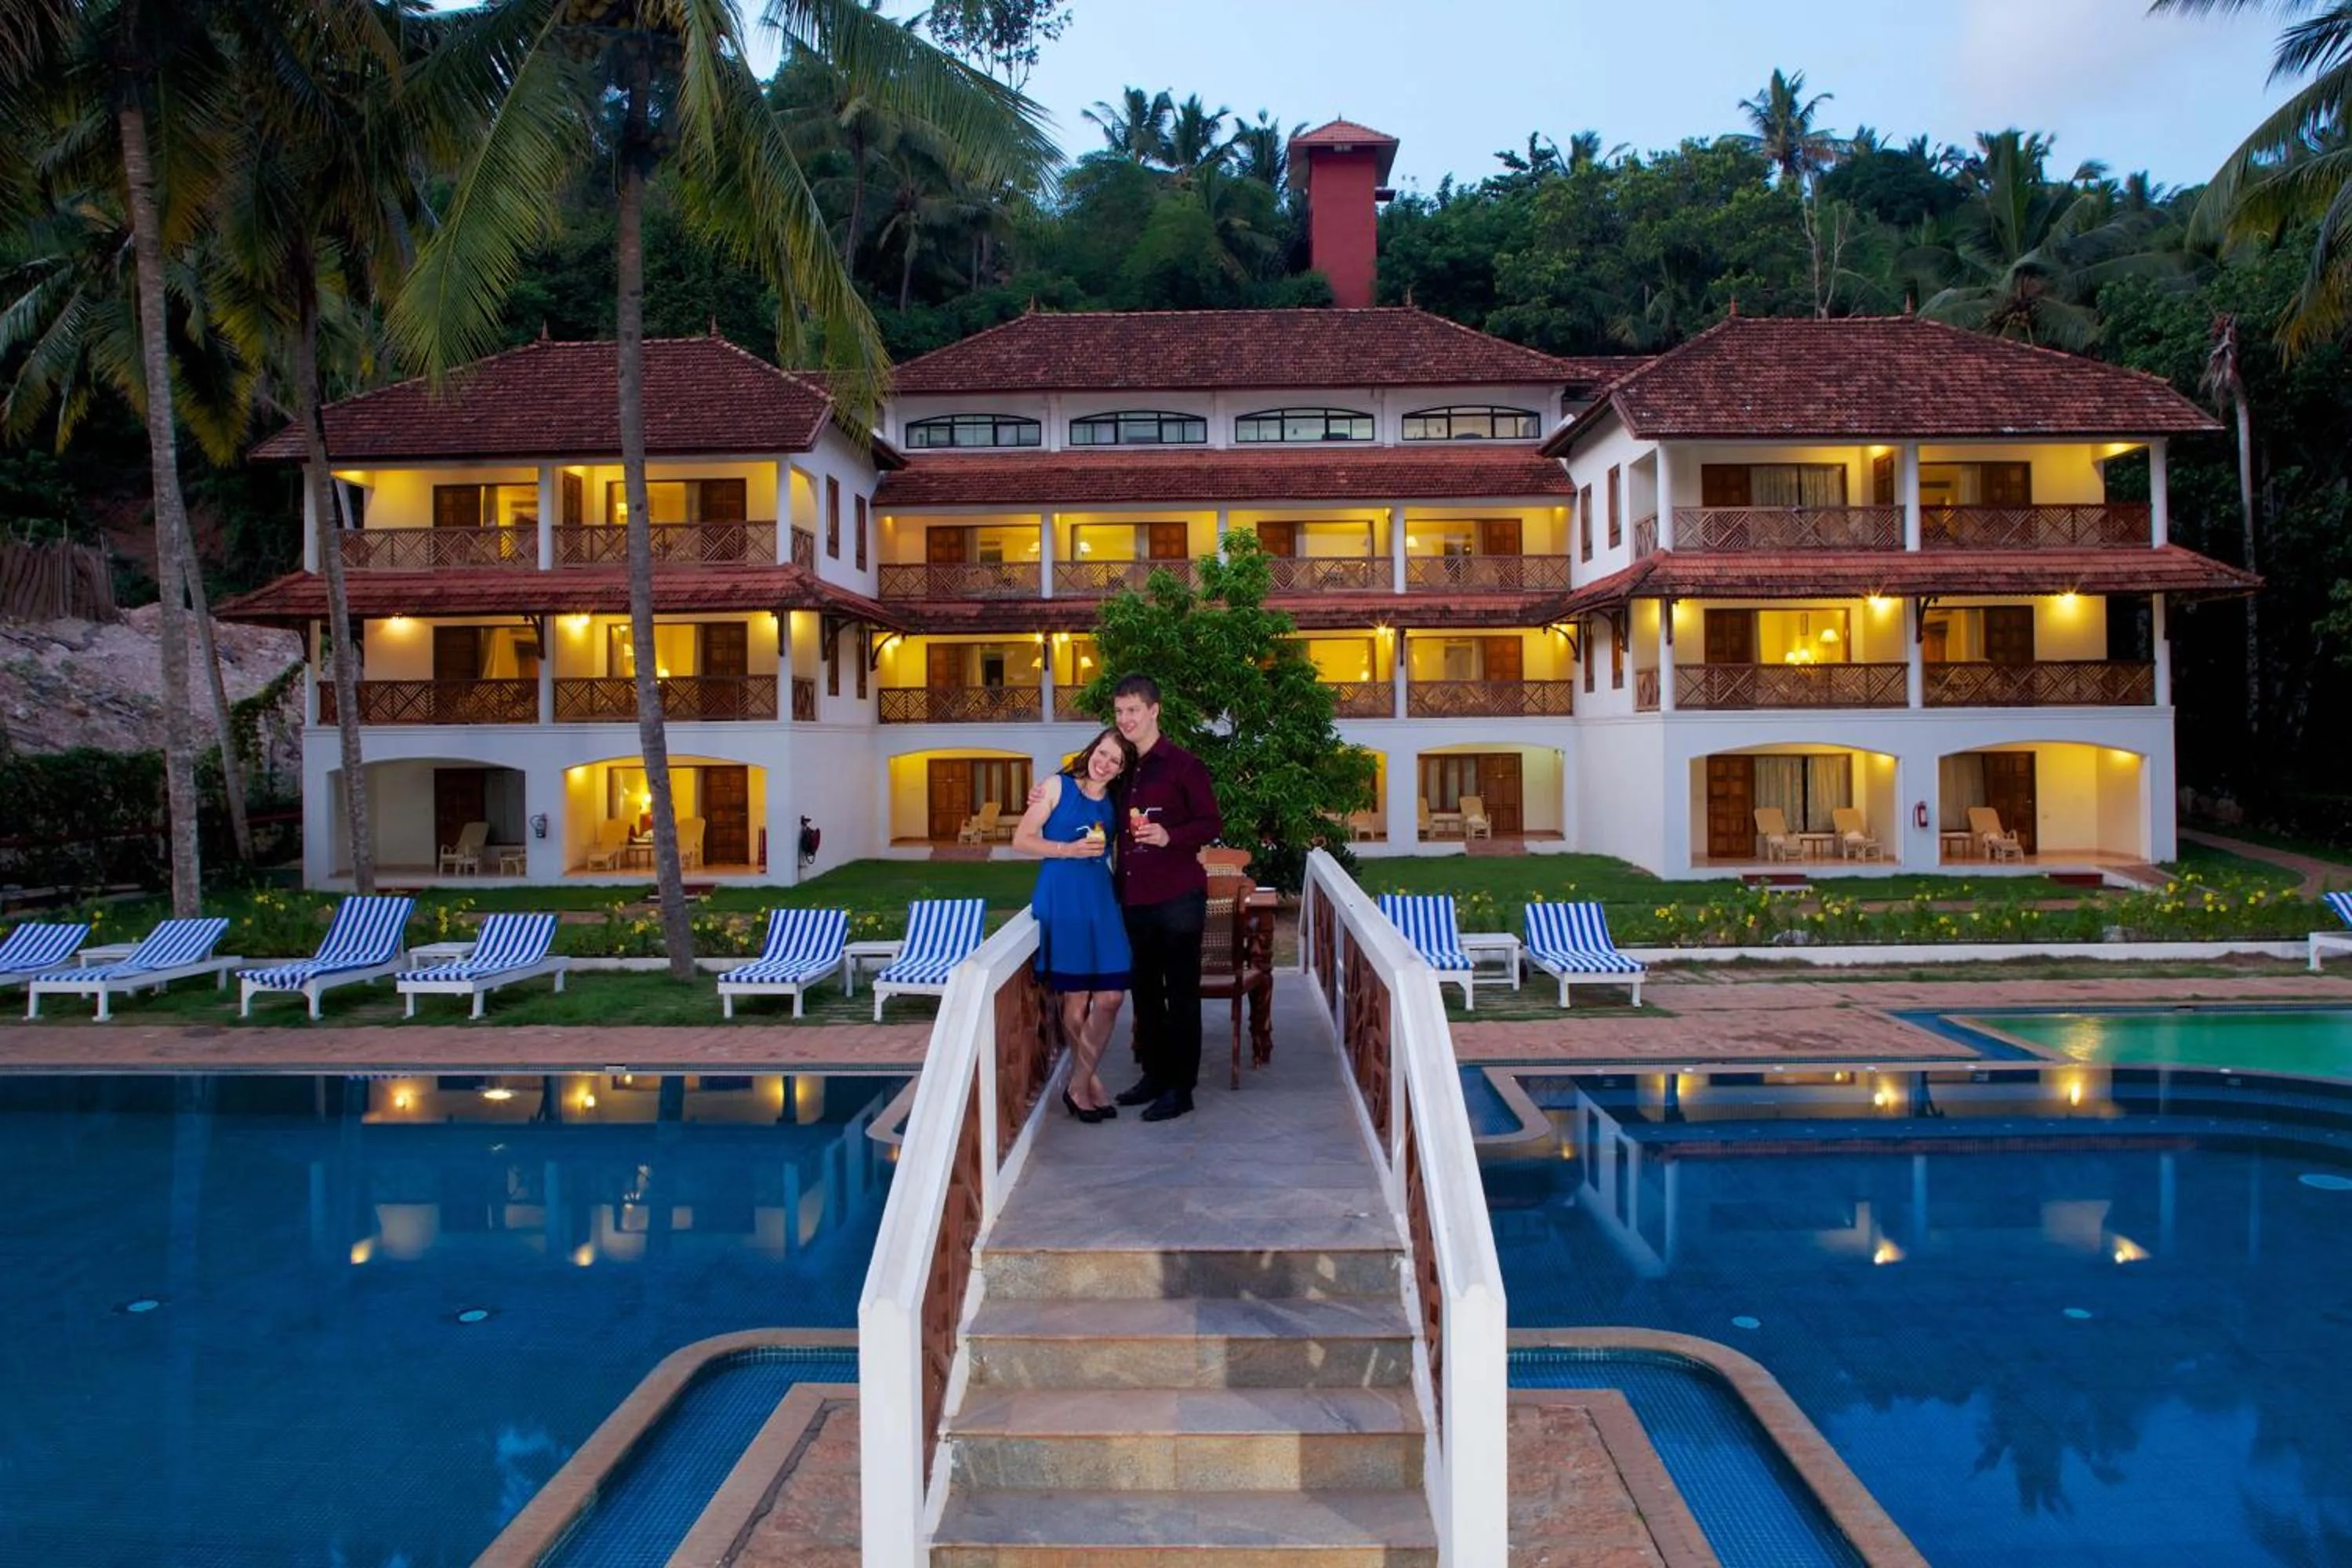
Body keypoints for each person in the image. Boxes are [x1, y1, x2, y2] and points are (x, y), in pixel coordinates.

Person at [1105, 673, 1221, 1123]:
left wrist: (1170, 834)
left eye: (1133, 710)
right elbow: (1086, 780)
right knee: (1146, 995)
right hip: (1134, 900)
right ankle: (1154, 1076)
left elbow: (1210, 823)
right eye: (1119, 712)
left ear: (1155, 710)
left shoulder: (1183, 765)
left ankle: (1181, 1088)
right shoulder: (1124, 766)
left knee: (1181, 996)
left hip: (1177, 900)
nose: (1126, 719)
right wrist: (1047, 792)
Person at [1010, 727, 1136, 1122]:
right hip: (1062, 894)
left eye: (1116, 760)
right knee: (1077, 997)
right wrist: (1068, 849)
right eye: (1103, 753)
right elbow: (1022, 840)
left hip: (1100, 897)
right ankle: (1087, 1086)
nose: (1105, 763)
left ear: (1121, 769)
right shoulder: (1056, 787)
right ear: (1091, 750)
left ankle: (1080, 1081)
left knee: (1112, 997)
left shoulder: (1116, 802)